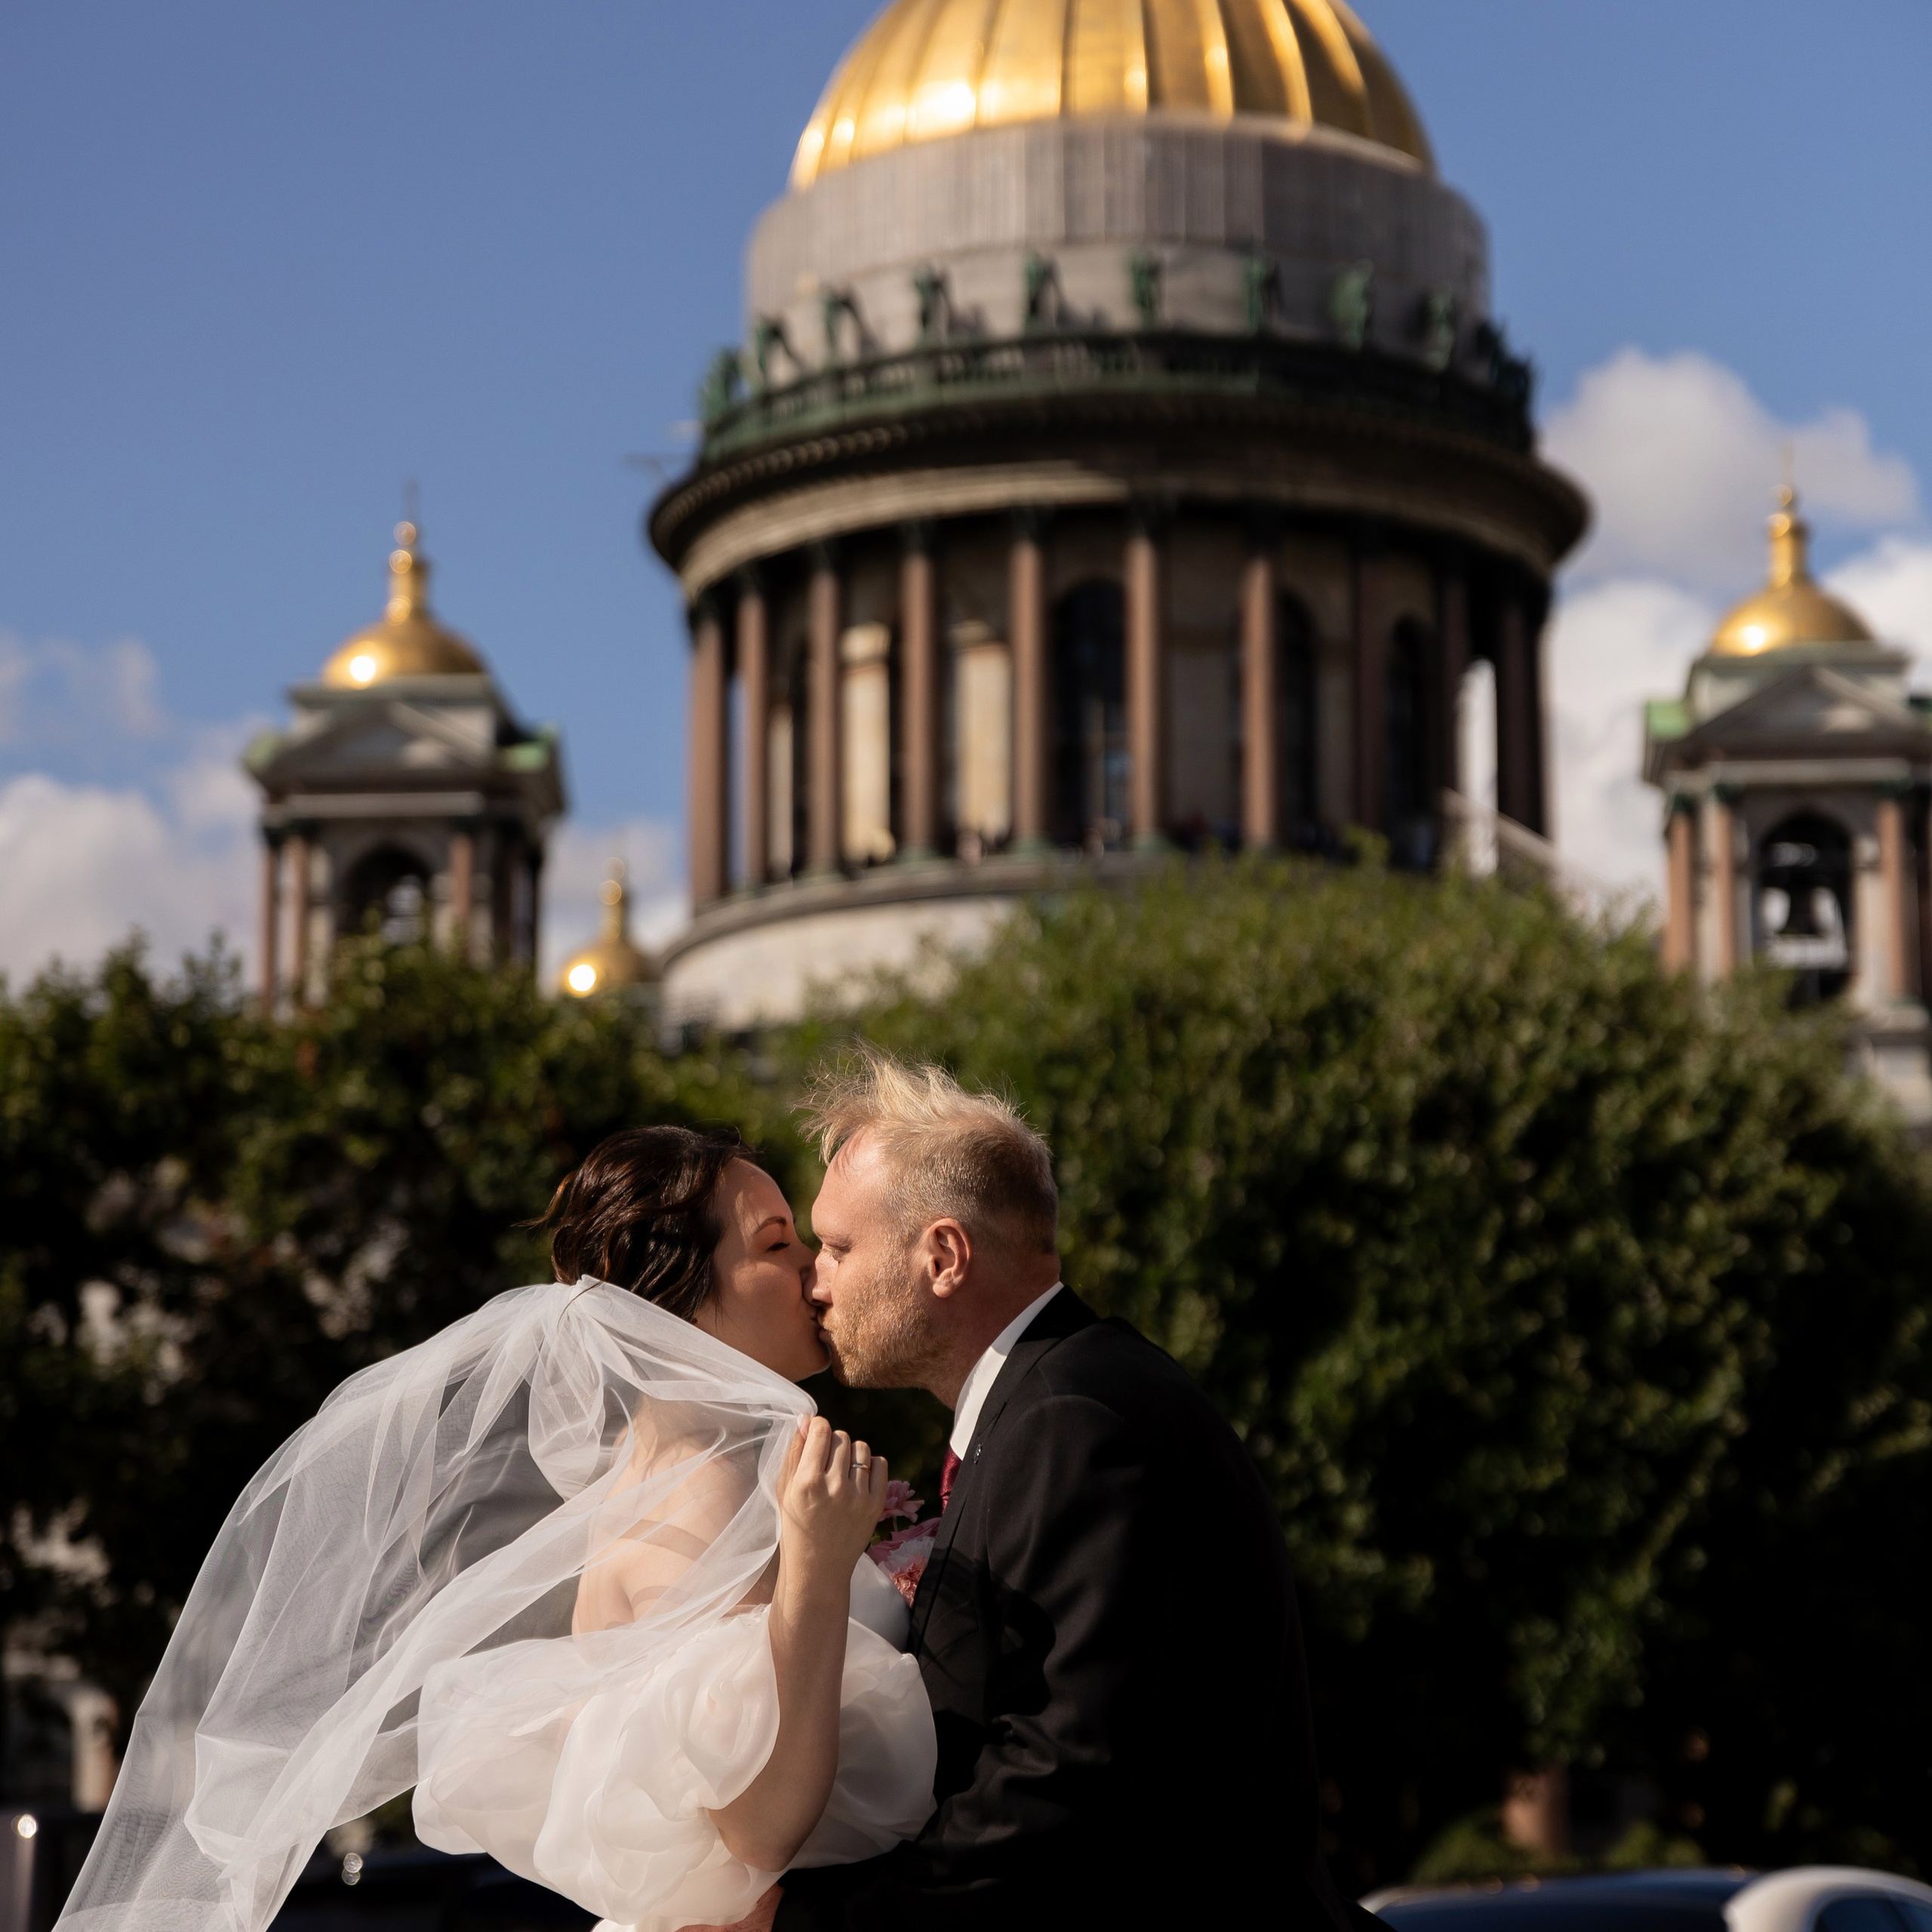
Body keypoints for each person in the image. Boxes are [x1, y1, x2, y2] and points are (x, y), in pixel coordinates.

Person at [58, 1126, 935, 1932]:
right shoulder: (701, 1499)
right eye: (779, 1246)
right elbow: (754, 1830)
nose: (817, 1273)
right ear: (676, 1305)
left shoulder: (690, 1473)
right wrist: (819, 1570)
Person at [761, 1048, 1359, 1932]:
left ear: (943, 1257)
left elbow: (1059, 1770)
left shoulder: (1074, 1422)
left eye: (840, 1247)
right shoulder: (1058, 1400)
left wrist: (810, 1922)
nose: (815, 1280)